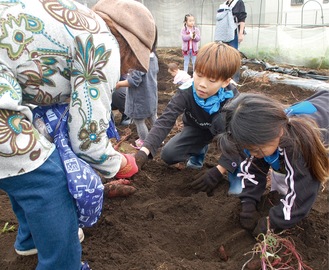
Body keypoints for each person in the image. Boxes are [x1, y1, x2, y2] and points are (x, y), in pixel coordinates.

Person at [0, 0, 156, 269]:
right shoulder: (103, 42)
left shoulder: (77, 21)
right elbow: (87, 141)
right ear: (125, 42)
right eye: (133, 62)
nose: (128, 70)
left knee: (25, 170)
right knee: (50, 181)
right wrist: (120, 163)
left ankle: (31, 240)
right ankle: (62, 262)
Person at [134, 42, 242, 195]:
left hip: (226, 135)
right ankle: (198, 150)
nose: (202, 85)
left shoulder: (233, 99)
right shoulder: (186, 91)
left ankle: (235, 171)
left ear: (225, 81)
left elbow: (239, 139)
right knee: (168, 154)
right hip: (198, 129)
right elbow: (166, 120)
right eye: (199, 75)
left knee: (228, 126)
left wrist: (218, 170)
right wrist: (144, 151)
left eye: (211, 80)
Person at [218, 91, 329, 237]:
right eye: (248, 149)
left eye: (256, 149)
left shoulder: (299, 146)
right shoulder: (260, 131)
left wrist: (273, 221)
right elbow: (252, 167)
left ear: (278, 133)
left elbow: (301, 197)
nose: (252, 153)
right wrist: (248, 203)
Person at [115, 36, 159, 150]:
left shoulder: (139, 61)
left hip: (140, 98)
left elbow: (133, 81)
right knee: (152, 116)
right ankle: (159, 137)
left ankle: (144, 143)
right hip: (151, 95)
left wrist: (119, 84)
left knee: (139, 121)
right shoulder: (153, 57)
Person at [214, 0, 247, 82]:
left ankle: (235, 79)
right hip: (224, 33)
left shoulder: (238, 2)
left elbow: (242, 19)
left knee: (233, 55)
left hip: (233, 33)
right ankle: (224, 76)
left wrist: (241, 33)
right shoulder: (224, 4)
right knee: (224, 54)